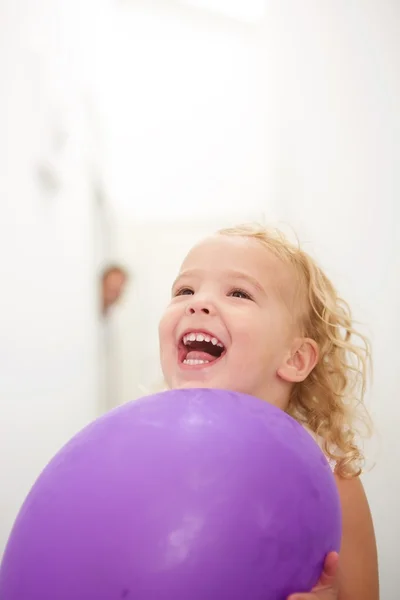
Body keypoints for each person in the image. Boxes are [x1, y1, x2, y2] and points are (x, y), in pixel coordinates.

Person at [158, 223, 379, 600]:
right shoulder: (143, 457)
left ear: (295, 358)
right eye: (185, 290)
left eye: (239, 293)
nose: (198, 302)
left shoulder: (329, 481)